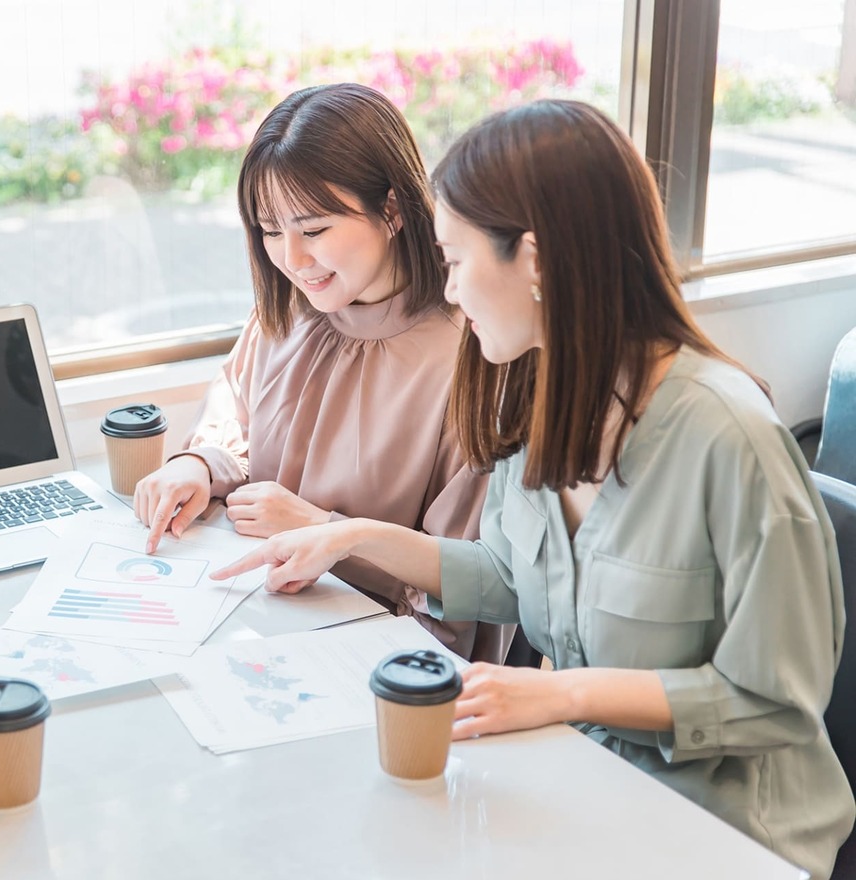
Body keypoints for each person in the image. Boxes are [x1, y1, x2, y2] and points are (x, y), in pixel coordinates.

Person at [213, 99, 855, 879]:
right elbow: (513, 578)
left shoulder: (728, 438)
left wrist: (563, 696)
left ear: (536, 258)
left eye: (454, 262)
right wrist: (349, 537)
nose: (447, 293)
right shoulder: (539, 397)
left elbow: (773, 705)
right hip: (584, 786)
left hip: (726, 832)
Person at [133, 82, 504, 662]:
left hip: (381, 654)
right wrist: (199, 462)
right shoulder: (292, 310)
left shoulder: (470, 352)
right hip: (258, 616)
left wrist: (320, 528)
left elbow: (469, 581)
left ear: (391, 209)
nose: (292, 260)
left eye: (313, 230)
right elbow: (236, 408)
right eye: (271, 231)